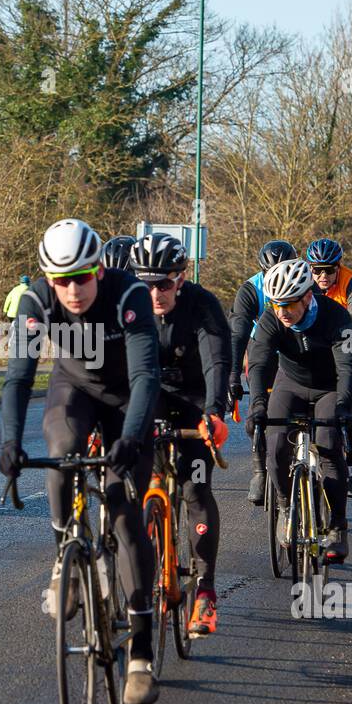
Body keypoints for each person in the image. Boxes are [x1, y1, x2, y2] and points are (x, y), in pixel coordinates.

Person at [0, 218, 164, 704]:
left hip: (128, 401)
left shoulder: (128, 296)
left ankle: (139, 654)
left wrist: (133, 438)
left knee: (123, 512)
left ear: (97, 269)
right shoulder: (34, 300)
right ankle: (64, 557)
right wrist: (9, 442)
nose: (72, 290)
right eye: (61, 280)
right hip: (74, 390)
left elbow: (146, 377)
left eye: (81, 277)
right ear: (47, 278)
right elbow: (17, 380)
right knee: (60, 450)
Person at [129, 234, 230, 634]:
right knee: (134, 482)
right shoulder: (127, 305)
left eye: (164, 284)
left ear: (181, 278)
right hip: (147, 396)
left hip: (193, 400)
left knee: (195, 490)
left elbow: (217, 360)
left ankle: (205, 591)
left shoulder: (202, 305)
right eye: (146, 284)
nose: (154, 294)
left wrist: (214, 414)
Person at [246, 258, 352, 564]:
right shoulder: (272, 320)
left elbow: (348, 368)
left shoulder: (337, 318)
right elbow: (258, 363)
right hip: (290, 383)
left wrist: (344, 407)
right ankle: (285, 507)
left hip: (328, 387)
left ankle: (337, 528)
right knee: (276, 444)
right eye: (276, 304)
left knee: (328, 445)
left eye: (289, 304)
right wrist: (257, 404)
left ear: (308, 296)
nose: (282, 311)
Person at [228, 239, 297, 504]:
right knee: (256, 416)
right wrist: (233, 375)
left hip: (296, 354)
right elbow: (238, 333)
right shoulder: (251, 289)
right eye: (270, 274)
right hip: (263, 354)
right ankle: (259, 470)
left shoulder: (305, 284)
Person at [306, 237, 352, 497]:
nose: (322, 275)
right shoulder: (304, 281)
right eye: (317, 269)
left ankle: (351, 463)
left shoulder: (351, 282)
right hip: (315, 350)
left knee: (351, 406)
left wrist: (350, 361)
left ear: (338, 268)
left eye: (329, 270)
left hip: (347, 348)